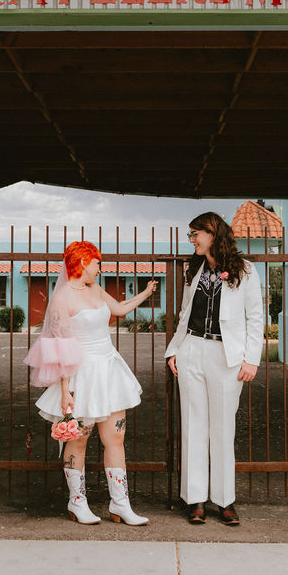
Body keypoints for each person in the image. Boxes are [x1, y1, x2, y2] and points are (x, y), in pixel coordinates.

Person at [28, 241, 158, 526]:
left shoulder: (95, 290)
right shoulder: (62, 298)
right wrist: (65, 391)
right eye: (96, 262)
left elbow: (120, 310)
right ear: (82, 262)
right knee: (79, 439)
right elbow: (59, 347)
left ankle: (120, 504)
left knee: (116, 437)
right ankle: (77, 502)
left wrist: (147, 293)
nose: (99, 267)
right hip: (80, 374)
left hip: (109, 371)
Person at [165, 212, 263, 526]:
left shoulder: (245, 270)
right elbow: (184, 313)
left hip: (227, 356)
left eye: (196, 234)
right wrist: (175, 350)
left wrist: (251, 359)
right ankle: (195, 499)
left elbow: (256, 318)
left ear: (213, 233)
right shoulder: (193, 269)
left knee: (222, 427)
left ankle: (224, 500)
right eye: (191, 235)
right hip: (192, 349)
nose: (191, 240)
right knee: (193, 424)